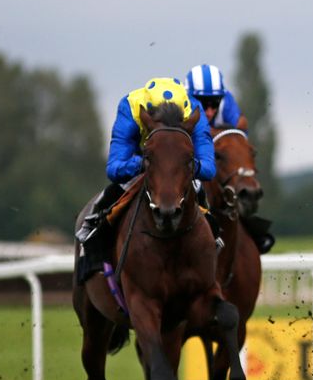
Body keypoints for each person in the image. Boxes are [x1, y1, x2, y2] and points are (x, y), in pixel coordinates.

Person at [75, 77, 218, 279]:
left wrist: (179, 163)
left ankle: (215, 241)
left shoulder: (193, 109)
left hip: (178, 168)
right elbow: (114, 168)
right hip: (143, 164)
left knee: (201, 193)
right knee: (112, 194)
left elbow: (209, 168)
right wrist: (145, 163)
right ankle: (91, 242)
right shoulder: (131, 107)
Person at [185, 64, 248, 131]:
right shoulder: (181, 105)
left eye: (215, 104)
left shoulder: (226, 101)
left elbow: (241, 128)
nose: (209, 113)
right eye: (203, 105)